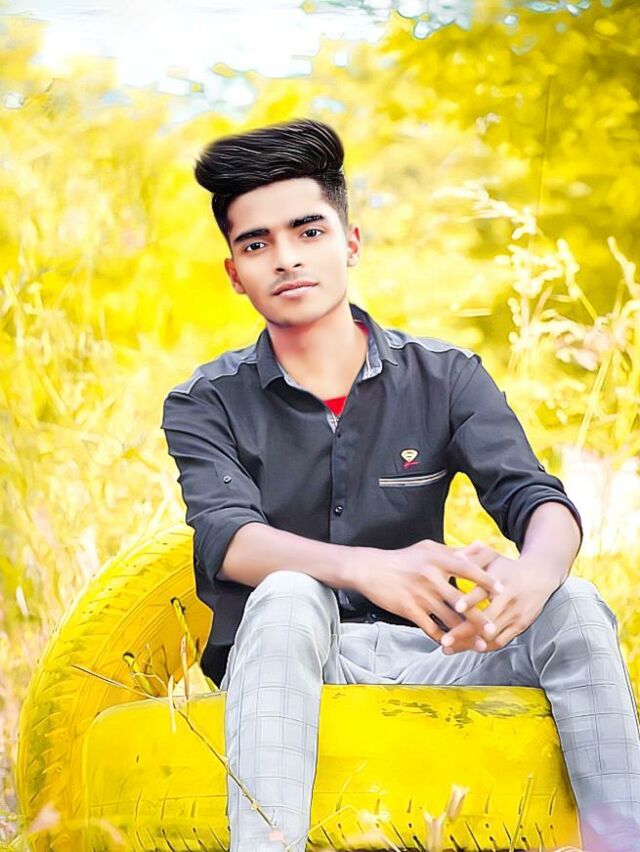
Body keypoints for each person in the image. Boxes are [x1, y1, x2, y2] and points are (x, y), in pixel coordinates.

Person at [161, 118, 640, 851]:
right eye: (256, 244)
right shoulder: (205, 401)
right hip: (294, 658)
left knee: (573, 601)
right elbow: (228, 538)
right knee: (287, 592)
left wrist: (532, 576)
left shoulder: (446, 376)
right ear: (234, 272)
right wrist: (370, 568)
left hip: (440, 651)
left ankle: (621, 840)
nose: (286, 259)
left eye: (308, 231)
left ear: (350, 242)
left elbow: (536, 498)